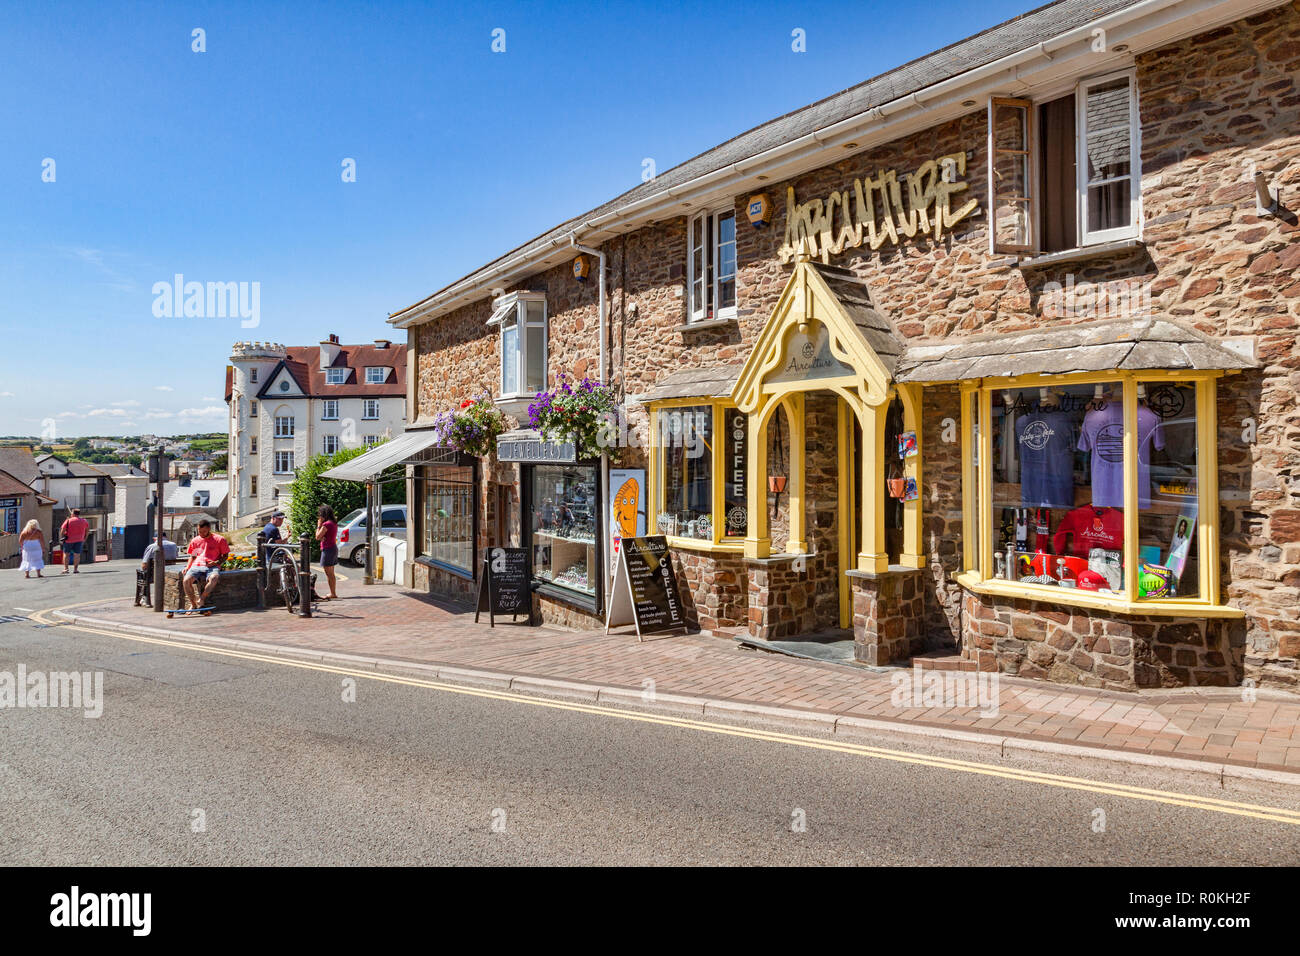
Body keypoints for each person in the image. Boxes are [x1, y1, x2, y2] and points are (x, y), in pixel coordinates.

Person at [182, 520, 230, 609]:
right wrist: (187, 567)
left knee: (214, 578)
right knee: (186, 581)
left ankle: (202, 599)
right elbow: (192, 556)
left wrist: (216, 562)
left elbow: (225, 556)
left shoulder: (219, 539)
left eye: (203, 531)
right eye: (199, 531)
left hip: (212, 566)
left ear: (209, 529)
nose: (201, 534)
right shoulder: (195, 540)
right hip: (197, 565)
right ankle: (193, 604)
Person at [315, 504, 339, 600]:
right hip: (332, 548)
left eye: (320, 514)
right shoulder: (333, 523)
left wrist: (318, 526)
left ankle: (333, 593)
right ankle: (333, 592)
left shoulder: (326, 524)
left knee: (328, 573)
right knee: (331, 573)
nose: (319, 516)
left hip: (328, 549)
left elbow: (317, 537)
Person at [59, 508, 89, 575]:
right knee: (77, 555)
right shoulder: (84, 521)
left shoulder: (68, 521)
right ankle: (75, 569)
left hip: (69, 540)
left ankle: (66, 569)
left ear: (72, 514)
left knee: (66, 554)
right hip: (79, 540)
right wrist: (85, 538)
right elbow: (87, 530)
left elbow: (62, 531)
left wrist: (61, 538)